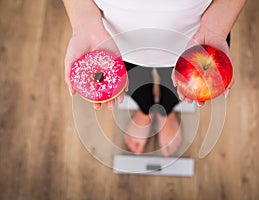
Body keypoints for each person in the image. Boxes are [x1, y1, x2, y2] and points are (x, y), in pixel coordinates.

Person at [62, 0, 246, 156]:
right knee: (132, 83)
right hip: (110, 39)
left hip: (199, 39)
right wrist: (83, 21)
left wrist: (216, 27)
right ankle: (144, 109)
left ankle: (166, 111)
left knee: (181, 88)